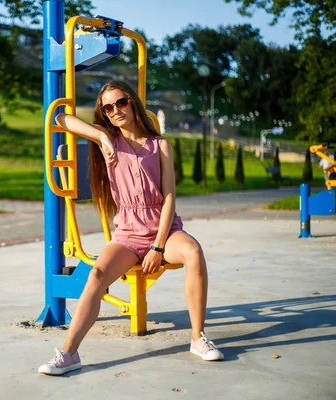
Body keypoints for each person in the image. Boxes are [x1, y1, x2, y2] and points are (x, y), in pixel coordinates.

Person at [38, 81, 223, 376]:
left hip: (163, 230)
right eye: (107, 108)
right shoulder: (107, 140)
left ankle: (198, 338)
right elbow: (62, 119)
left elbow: (170, 197)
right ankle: (69, 353)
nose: (115, 111)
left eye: (120, 103)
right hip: (127, 233)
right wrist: (101, 135)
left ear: (132, 102)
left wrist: (158, 246)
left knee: (193, 252)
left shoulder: (159, 145)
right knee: (97, 273)